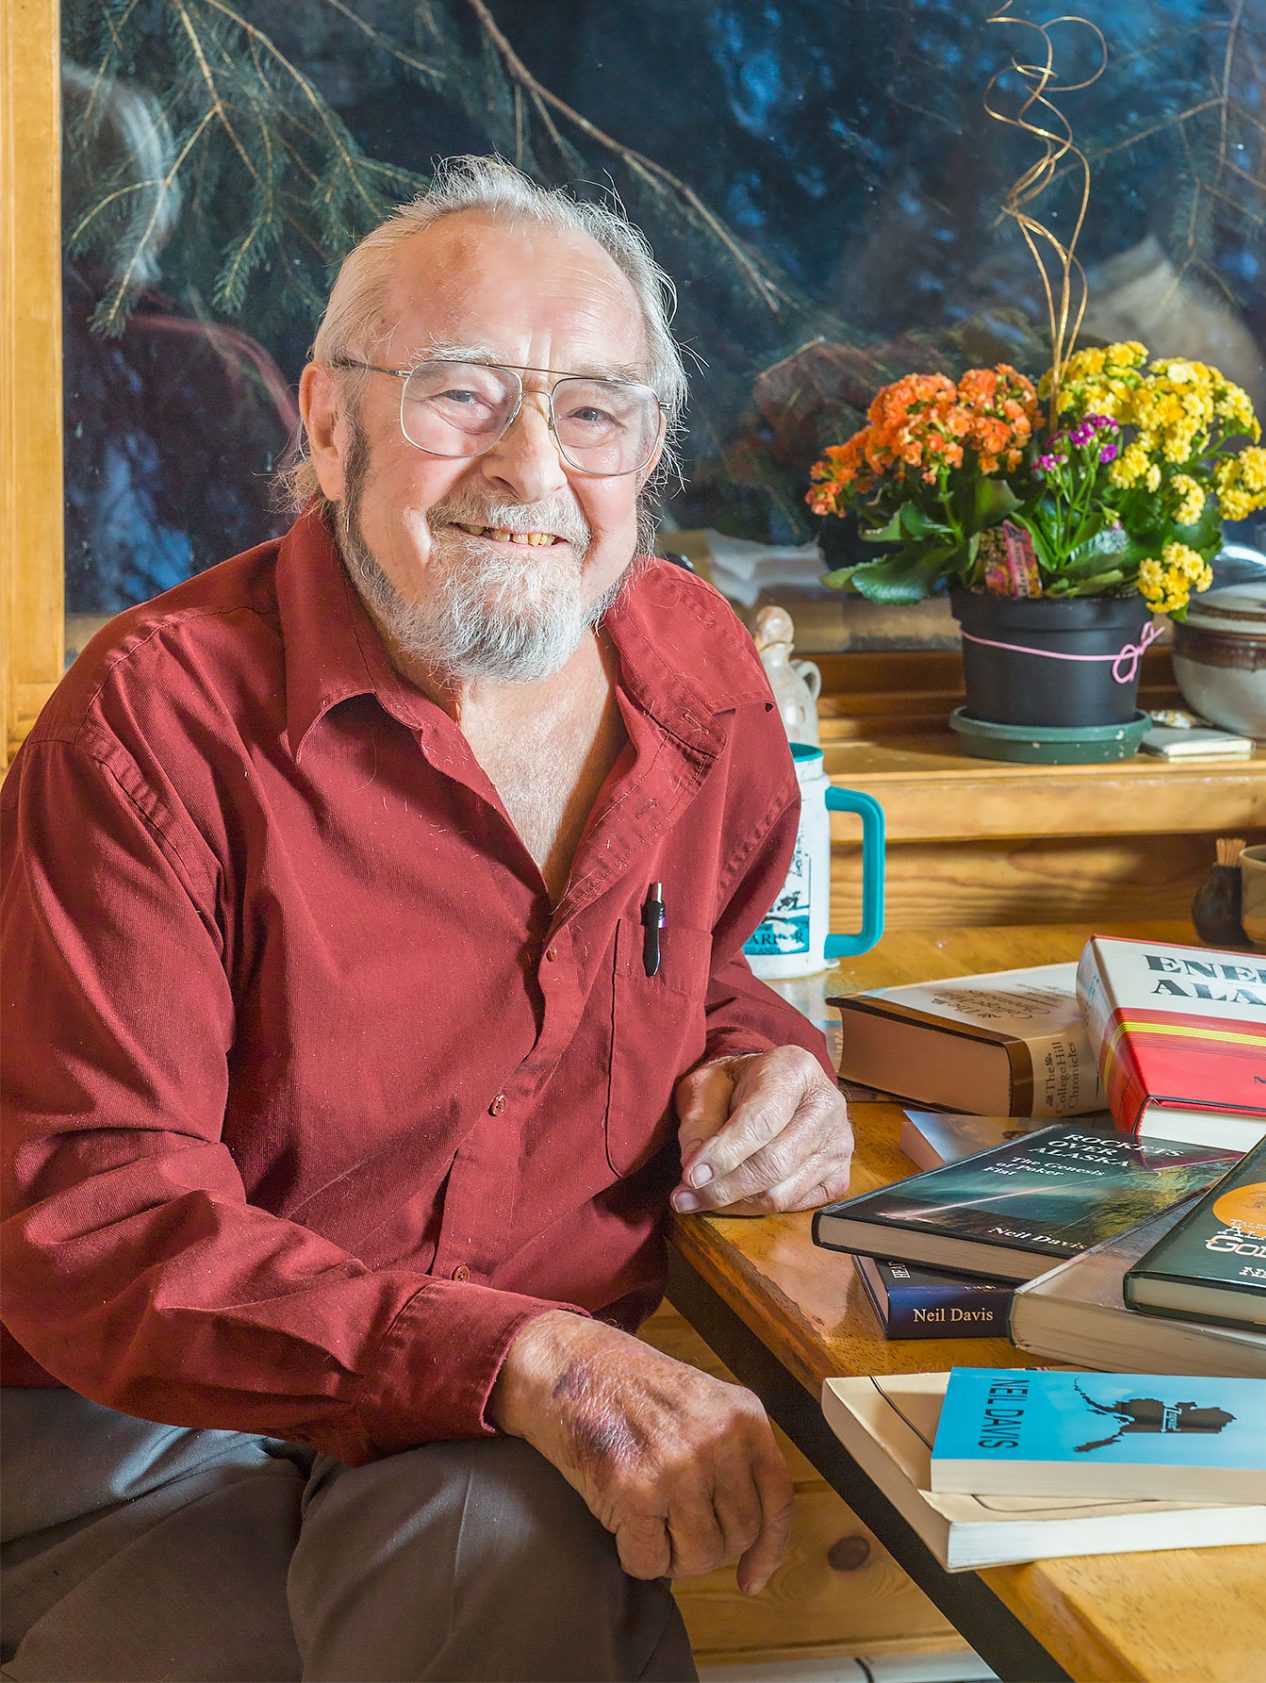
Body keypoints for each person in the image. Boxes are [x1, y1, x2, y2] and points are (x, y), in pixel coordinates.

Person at [0, 157, 852, 1683]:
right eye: (463, 396)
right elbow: (101, 1221)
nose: (532, 468)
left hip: (491, 1430)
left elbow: (703, 965)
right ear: (329, 424)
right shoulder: (146, 730)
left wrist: (767, 1065)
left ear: (648, 451)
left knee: (507, 1545)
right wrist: (517, 1355)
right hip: (138, 1429)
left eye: (592, 412)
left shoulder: (700, 676)